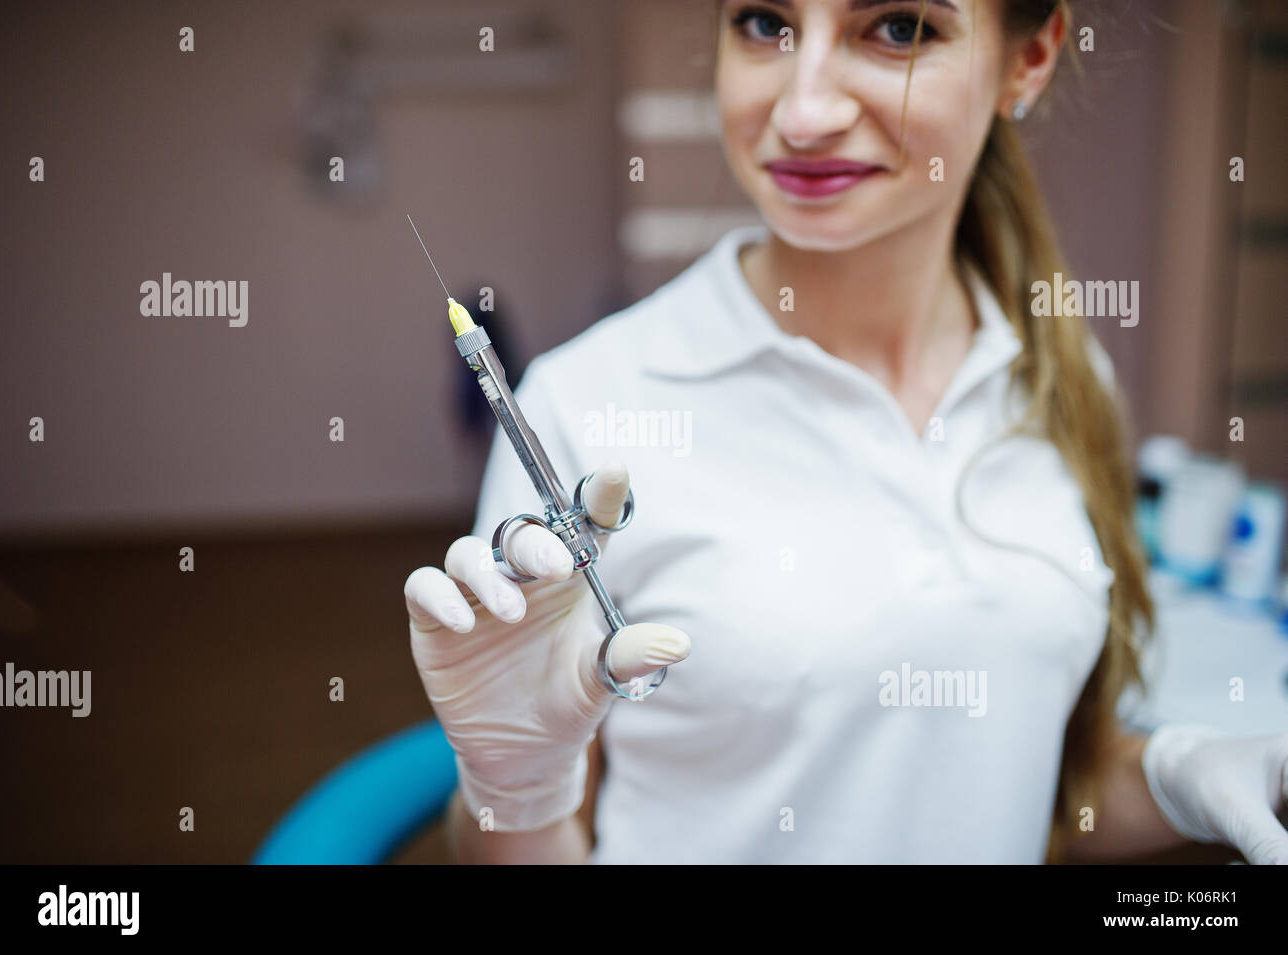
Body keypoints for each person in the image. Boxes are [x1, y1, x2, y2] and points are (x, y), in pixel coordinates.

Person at [404, 0, 1288, 864]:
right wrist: (517, 785)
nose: (804, 110)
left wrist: (1172, 776)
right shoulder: (586, 405)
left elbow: (1042, 793)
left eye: (899, 27)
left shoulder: (1056, 372)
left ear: (1030, 58)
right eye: (764, 23)